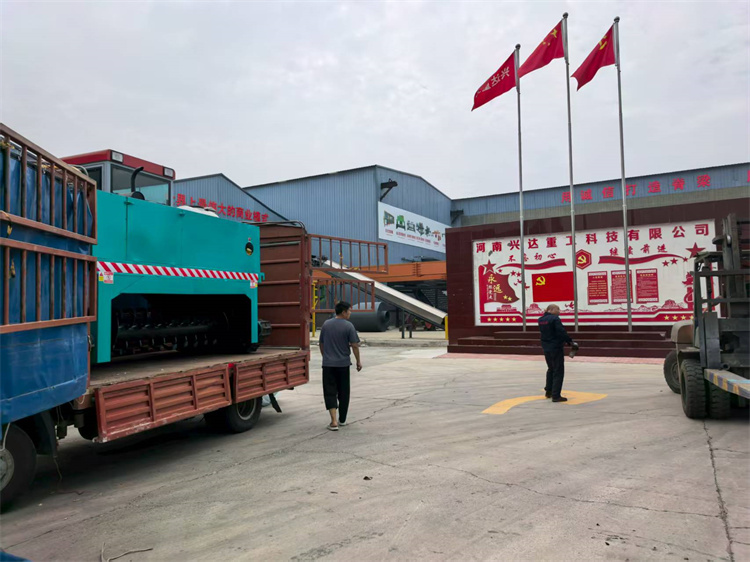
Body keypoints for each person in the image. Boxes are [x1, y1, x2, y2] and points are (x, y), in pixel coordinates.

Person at [318, 301, 362, 431]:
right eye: (349, 311)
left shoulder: (326, 324)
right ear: (343, 312)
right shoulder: (349, 326)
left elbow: (321, 344)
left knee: (330, 391)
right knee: (344, 392)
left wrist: (326, 357)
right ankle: (342, 420)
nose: (350, 313)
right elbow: (354, 345)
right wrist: (358, 361)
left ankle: (333, 421)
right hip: (343, 365)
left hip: (328, 365)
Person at [538, 304, 576, 403]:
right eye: (558, 309)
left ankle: (549, 391)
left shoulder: (541, 320)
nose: (559, 311)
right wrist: (570, 341)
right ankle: (556, 395)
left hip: (546, 347)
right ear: (552, 310)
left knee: (551, 369)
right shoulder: (555, 319)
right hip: (556, 347)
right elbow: (561, 331)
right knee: (558, 370)